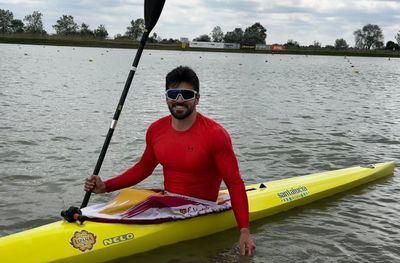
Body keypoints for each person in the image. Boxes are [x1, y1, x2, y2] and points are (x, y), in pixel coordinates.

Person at [84, 66, 255, 255]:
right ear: (166, 97)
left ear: (197, 99)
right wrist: (106, 186)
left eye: (186, 94)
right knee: (123, 199)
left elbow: (234, 183)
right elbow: (143, 168)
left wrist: (244, 230)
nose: (179, 100)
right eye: (173, 93)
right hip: (169, 201)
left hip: (201, 205)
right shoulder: (156, 130)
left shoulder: (215, 135)